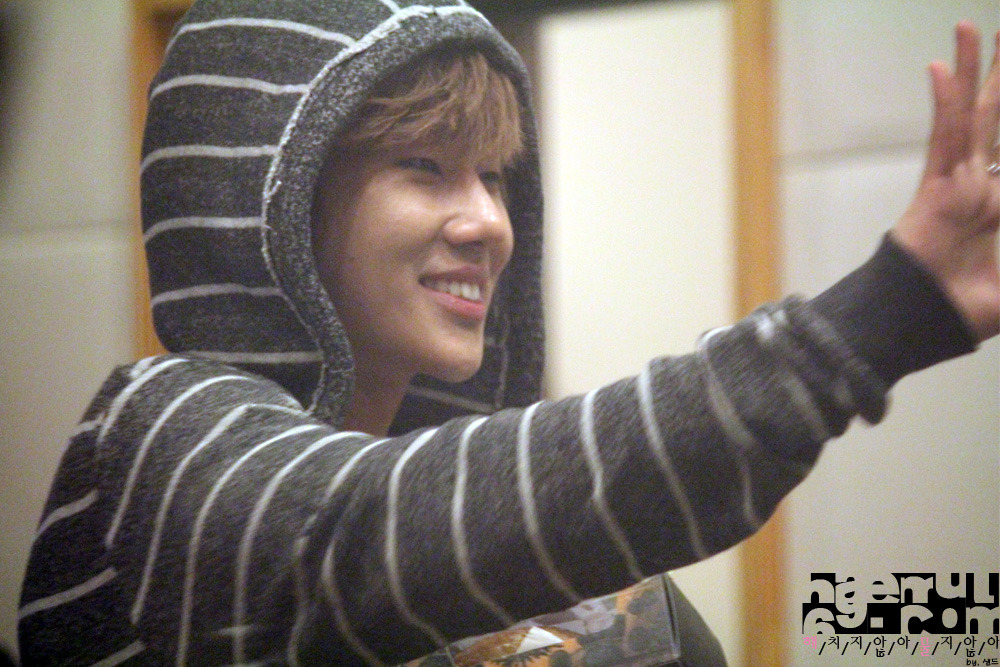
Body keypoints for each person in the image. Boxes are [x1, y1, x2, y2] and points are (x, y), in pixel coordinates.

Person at [17, 0, 998, 665]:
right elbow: (363, 535)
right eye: (424, 165)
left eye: (492, 174)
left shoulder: (562, 588)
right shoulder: (156, 442)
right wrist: (881, 314)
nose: (488, 221)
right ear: (272, 201)